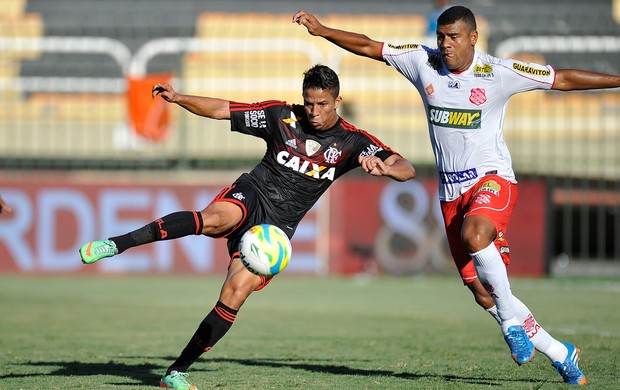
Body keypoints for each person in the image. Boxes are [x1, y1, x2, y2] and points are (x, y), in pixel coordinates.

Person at [294, 5, 620, 386]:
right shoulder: (422, 63)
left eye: (453, 37)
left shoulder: (498, 72)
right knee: (485, 295)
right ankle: (560, 352)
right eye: (441, 37)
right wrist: (322, 30)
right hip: (451, 196)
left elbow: (561, 79)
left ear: (473, 38)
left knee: (475, 236)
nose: (445, 45)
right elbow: (368, 46)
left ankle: (511, 325)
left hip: (492, 180)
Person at [78, 64, 416, 390]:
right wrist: (180, 98)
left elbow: (406, 167)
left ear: (337, 102)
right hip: (253, 194)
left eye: (322, 105)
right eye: (309, 102)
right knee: (213, 219)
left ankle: (175, 372)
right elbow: (223, 109)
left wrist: (385, 169)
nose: (313, 111)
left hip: (276, 230)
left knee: (235, 293)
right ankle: (116, 244)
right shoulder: (281, 116)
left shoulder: (352, 142)